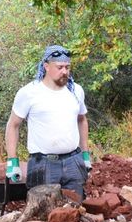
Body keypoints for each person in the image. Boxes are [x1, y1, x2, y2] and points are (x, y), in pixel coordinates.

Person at [5, 45, 91, 199]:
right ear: (46, 66)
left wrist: (85, 154)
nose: (64, 71)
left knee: (74, 209)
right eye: (59, 67)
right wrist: (12, 161)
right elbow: (13, 125)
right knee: (45, 212)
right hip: (43, 164)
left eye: (67, 67)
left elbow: (82, 120)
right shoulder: (29, 93)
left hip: (73, 162)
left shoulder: (76, 91)